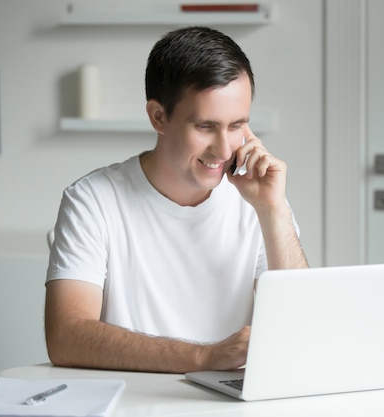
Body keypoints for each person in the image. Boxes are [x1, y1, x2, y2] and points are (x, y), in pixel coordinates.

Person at [44, 26, 308, 374]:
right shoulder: (92, 200)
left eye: (236, 125)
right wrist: (204, 357)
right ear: (159, 117)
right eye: (205, 126)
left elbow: (302, 331)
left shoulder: (258, 203)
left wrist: (273, 210)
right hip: (128, 401)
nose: (225, 148)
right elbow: (66, 337)